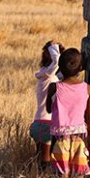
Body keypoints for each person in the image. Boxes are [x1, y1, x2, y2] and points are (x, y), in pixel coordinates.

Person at [46, 48, 90, 178]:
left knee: (62, 175)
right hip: (80, 138)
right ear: (81, 68)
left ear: (60, 68)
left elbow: (48, 109)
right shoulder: (87, 88)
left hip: (59, 138)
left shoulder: (54, 87)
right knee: (79, 174)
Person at [29, 41, 64, 169]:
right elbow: (56, 62)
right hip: (47, 124)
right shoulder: (48, 75)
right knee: (45, 161)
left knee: (39, 157)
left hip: (38, 123)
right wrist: (53, 47)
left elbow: (62, 74)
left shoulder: (47, 76)